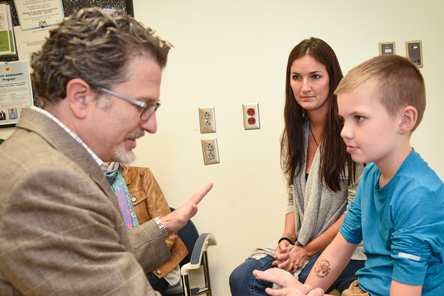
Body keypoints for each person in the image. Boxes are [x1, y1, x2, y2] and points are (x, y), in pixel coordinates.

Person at [0, 8, 212, 296]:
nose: (151, 125)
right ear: (80, 97)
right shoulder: (44, 180)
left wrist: (164, 225)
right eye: (142, 106)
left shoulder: (49, 158)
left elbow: (96, 251)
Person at [253, 55, 444, 296]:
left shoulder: (418, 196)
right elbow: (338, 250)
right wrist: (304, 291)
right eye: (344, 120)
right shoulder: (372, 175)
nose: (344, 132)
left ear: (405, 120)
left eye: (359, 118)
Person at [229, 37, 366, 295]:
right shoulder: (292, 136)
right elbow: (293, 198)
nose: (305, 87)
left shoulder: (351, 134)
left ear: (332, 79)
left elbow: (356, 213)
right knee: (242, 278)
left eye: (315, 76)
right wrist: (286, 240)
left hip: (350, 246)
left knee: (297, 280)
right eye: (296, 77)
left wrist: (306, 251)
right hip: (304, 241)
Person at [106, 162, 188, 294]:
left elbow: (168, 234)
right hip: (115, 270)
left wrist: (138, 261)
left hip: (155, 267)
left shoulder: (141, 175)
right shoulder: (86, 187)